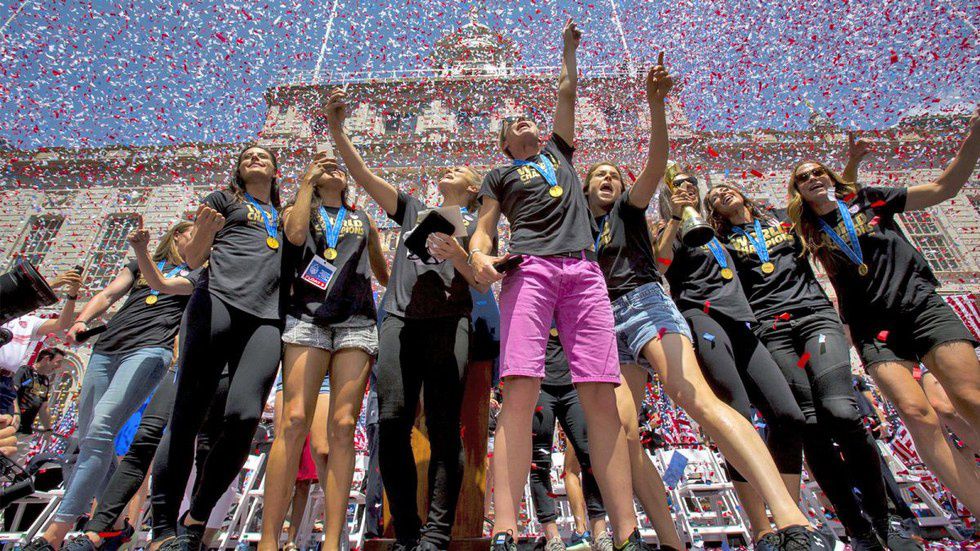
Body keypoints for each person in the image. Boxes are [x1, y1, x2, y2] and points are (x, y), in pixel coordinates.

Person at [585, 59, 835, 551]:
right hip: (604, 325)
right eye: (599, 175)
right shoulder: (576, 229)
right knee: (624, 434)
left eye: (615, 174)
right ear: (584, 186)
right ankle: (670, 541)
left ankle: (791, 520)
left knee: (693, 397)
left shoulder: (629, 212)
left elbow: (656, 164)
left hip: (645, 305)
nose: (609, 179)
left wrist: (656, 106)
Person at [468, 21, 678, 551]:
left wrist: (568, 48)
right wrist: (479, 255)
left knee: (601, 395)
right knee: (519, 389)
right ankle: (505, 526)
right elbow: (484, 228)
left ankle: (626, 532)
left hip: (585, 273)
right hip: (530, 269)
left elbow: (566, 92)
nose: (526, 123)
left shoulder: (559, 155)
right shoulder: (499, 175)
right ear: (504, 144)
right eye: (514, 124)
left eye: (529, 119)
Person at [785, 109, 980, 517]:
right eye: (803, 177)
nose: (813, 177)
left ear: (832, 178)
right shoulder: (806, 230)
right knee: (917, 415)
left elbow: (944, 187)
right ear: (797, 191)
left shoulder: (870, 199)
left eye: (819, 171)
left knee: (966, 398)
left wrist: (974, 136)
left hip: (920, 305)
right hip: (871, 327)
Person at [702, 181, 915, 550]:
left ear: (743, 192)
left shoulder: (785, 219)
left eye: (726, 188)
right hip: (772, 329)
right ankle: (858, 530)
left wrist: (848, 169)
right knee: (810, 427)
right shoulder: (718, 241)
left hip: (814, 319)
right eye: (714, 196)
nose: (722, 194)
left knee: (841, 412)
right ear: (713, 211)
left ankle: (887, 519)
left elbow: (831, 202)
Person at [326, 88, 486, 551]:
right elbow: (363, 174)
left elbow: (481, 281)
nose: (449, 169)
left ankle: (437, 533)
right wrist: (337, 128)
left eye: (460, 170)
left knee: (443, 426)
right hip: (398, 320)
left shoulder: (480, 227)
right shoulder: (413, 208)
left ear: (473, 190)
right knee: (393, 423)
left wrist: (457, 254)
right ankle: (409, 531)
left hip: (449, 324)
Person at [24, 222, 197, 551]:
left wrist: (141, 251)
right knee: (90, 436)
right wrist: (81, 321)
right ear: (177, 235)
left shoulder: (199, 271)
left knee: (101, 427)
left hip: (150, 350)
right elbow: (107, 294)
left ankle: (55, 533)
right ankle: (114, 525)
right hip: (107, 348)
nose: (201, 239)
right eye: (194, 233)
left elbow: (162, 283)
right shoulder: (137, 267)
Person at [150, 144, 285, 551]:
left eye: (262, 156)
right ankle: (162, 530)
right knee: (187, 416)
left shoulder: (286, 216)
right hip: (217, 301)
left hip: (266, 317)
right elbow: (193, 259)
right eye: (246, 157)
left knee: (245, 416)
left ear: (276, 170)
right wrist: (205, 233)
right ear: (238, 171)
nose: (254, 159)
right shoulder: (222, 200)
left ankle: (197, 514)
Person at [259, 153, 389, 551]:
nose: (332, 167)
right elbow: (296, 237)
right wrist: (305, 184)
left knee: (344, 426)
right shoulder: (300, 209)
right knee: (294, 419)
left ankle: (333, 541)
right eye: (323, 165)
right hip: (307, 317)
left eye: (338, 166)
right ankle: (268, 539)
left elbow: (383, 272)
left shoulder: (362, 218)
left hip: (356, 322)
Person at [529, 331, 610, 551]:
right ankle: (552, 536)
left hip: (573, 385)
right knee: (539, 461)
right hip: (540, 385)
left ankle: (600, 531)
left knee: (589, 455)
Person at [0, 268, 82, 416]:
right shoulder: (3, 313)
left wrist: (72, 296)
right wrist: (54, 283)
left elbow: (61, 324)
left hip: (5, 380)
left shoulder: (28, 322)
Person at [14, 347, 64, 436]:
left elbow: (43, 407)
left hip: (25, 429)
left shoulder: (45, 381)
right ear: (47, 359)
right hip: (12, 423)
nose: (59, 366)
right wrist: (16, 412)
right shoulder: (25, 371)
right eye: (58, 362)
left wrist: (48, 429)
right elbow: (12, 392)